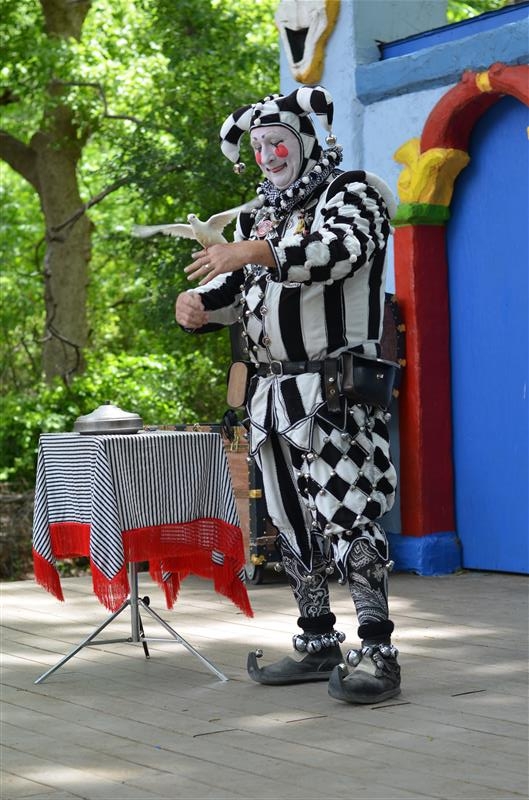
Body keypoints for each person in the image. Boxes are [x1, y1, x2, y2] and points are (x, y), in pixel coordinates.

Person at [175, 85, 401, 704]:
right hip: (271, 395)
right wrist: (197, 305)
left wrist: (253, 250)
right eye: (258, 147)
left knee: (349, 513)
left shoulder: (352, 192)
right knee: (289, 520)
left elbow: (338, 253)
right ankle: (317, 637)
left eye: (277, 143)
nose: (268, 156)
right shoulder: (257, 217)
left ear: (304, 141)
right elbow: (236, 290)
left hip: (333, 389)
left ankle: (378, 651)